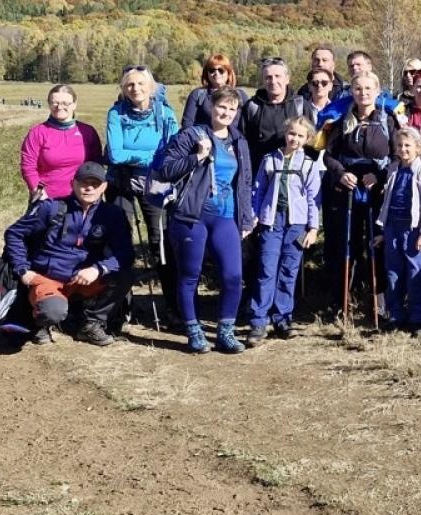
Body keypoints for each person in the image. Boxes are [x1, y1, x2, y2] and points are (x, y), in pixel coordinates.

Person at [155, 87, 256, 354]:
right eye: (222, 107)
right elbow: (165, 170)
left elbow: (244, 182)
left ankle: (225, 331)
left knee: (233, 276)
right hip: (192, 216)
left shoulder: (239, 141)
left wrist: (246, 218)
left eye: (232, 109)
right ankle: (194, 331)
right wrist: (197, 156)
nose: (226, 112)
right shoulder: (192, 135)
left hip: (226, 218)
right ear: (212, 107)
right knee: (189, 276)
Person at [2, 160, 133, 347]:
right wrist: (23, 270)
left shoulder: (113, 214)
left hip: (85, 278)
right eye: (83, 183)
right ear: (73, 183)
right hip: (48, 278)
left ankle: (91, 324)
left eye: (95, 184)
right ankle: (40, 321)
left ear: (104, 187)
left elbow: (125, 253)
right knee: (53, 311)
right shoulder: (51, 207)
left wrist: (98, 269)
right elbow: (14, 233)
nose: (89, 188)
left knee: (124, 275)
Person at [323, 73, 401, 316]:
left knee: (378, 244)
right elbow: (328, 155)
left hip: (377, 191)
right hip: (347, 190)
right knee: (348, 244)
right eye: (358, 88)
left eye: (368, 88)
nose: (363, 93)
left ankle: (381, 303)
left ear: (377, 91)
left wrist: (380, 176)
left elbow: (399, 155)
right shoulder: (340, 119)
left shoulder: (388, 120)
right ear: (352, 92)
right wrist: (340, 173)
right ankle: (343, 302)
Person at [105, 66, 181, 310]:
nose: (135, 89)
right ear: (123, 89)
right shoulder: (116, 113)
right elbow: (116, 155)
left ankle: (173, 305)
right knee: (120, 239)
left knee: (161, 241)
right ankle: (120, 306)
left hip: (156, 184)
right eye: (129, 85)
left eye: (140, 84)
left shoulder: (165, 113)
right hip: (121, 182)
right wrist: (152, 156)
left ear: (151, 87)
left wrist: (137, 156)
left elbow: (173, 150)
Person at [243, 115, 321, 344]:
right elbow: (257, 192)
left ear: (307, 138)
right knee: (266, 270)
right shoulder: (270, 160)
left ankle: (283, 319)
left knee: (289, 271)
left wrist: (313, 228)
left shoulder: (309, 165)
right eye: (291, 134)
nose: (294, 138)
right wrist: (253, 218)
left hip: (296, 224)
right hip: (271, 222)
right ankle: (259, 321)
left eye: (300, 135)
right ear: (285, 134)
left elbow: (314, 200)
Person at [375, 126, 421, 331]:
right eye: (400, 145)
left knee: (415, 273)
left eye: (408, 145)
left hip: (414, 230)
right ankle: (396, 315)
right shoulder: (393, 169)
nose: (403, 149)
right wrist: (384, 231)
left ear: (418, 148)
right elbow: (387, 199)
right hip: (393, 226)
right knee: (393, 272)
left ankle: (418, 317)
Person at [20, 84, 104, 204]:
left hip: (82, 199)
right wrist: (39, 194)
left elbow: (96, 165)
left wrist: (92, 193)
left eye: (65, 103)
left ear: (74, 104)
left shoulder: (88, 132)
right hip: (47, 199)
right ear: (49, 104)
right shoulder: (37, 133)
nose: (59, 107)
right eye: (55, 103)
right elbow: (28, 167)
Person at [240, 57, 310, 169]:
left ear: (287, 79)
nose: (273, 81)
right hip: (260, 172)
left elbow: (311, 141)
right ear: (263, 80)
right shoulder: (252, 106)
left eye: (277, 76)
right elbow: (243, 142)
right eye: (268, 77)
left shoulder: (300, 105)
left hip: (294, 171)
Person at [182, 54, 250, 128]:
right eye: (212, 70)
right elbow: (187, 124)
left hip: (235, 138)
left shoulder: (240, 95)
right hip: (203, 138)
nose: (216, 73)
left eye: (221, 70)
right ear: (207, 73)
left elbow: (249, 122)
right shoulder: (198, 95)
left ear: (228, 73)